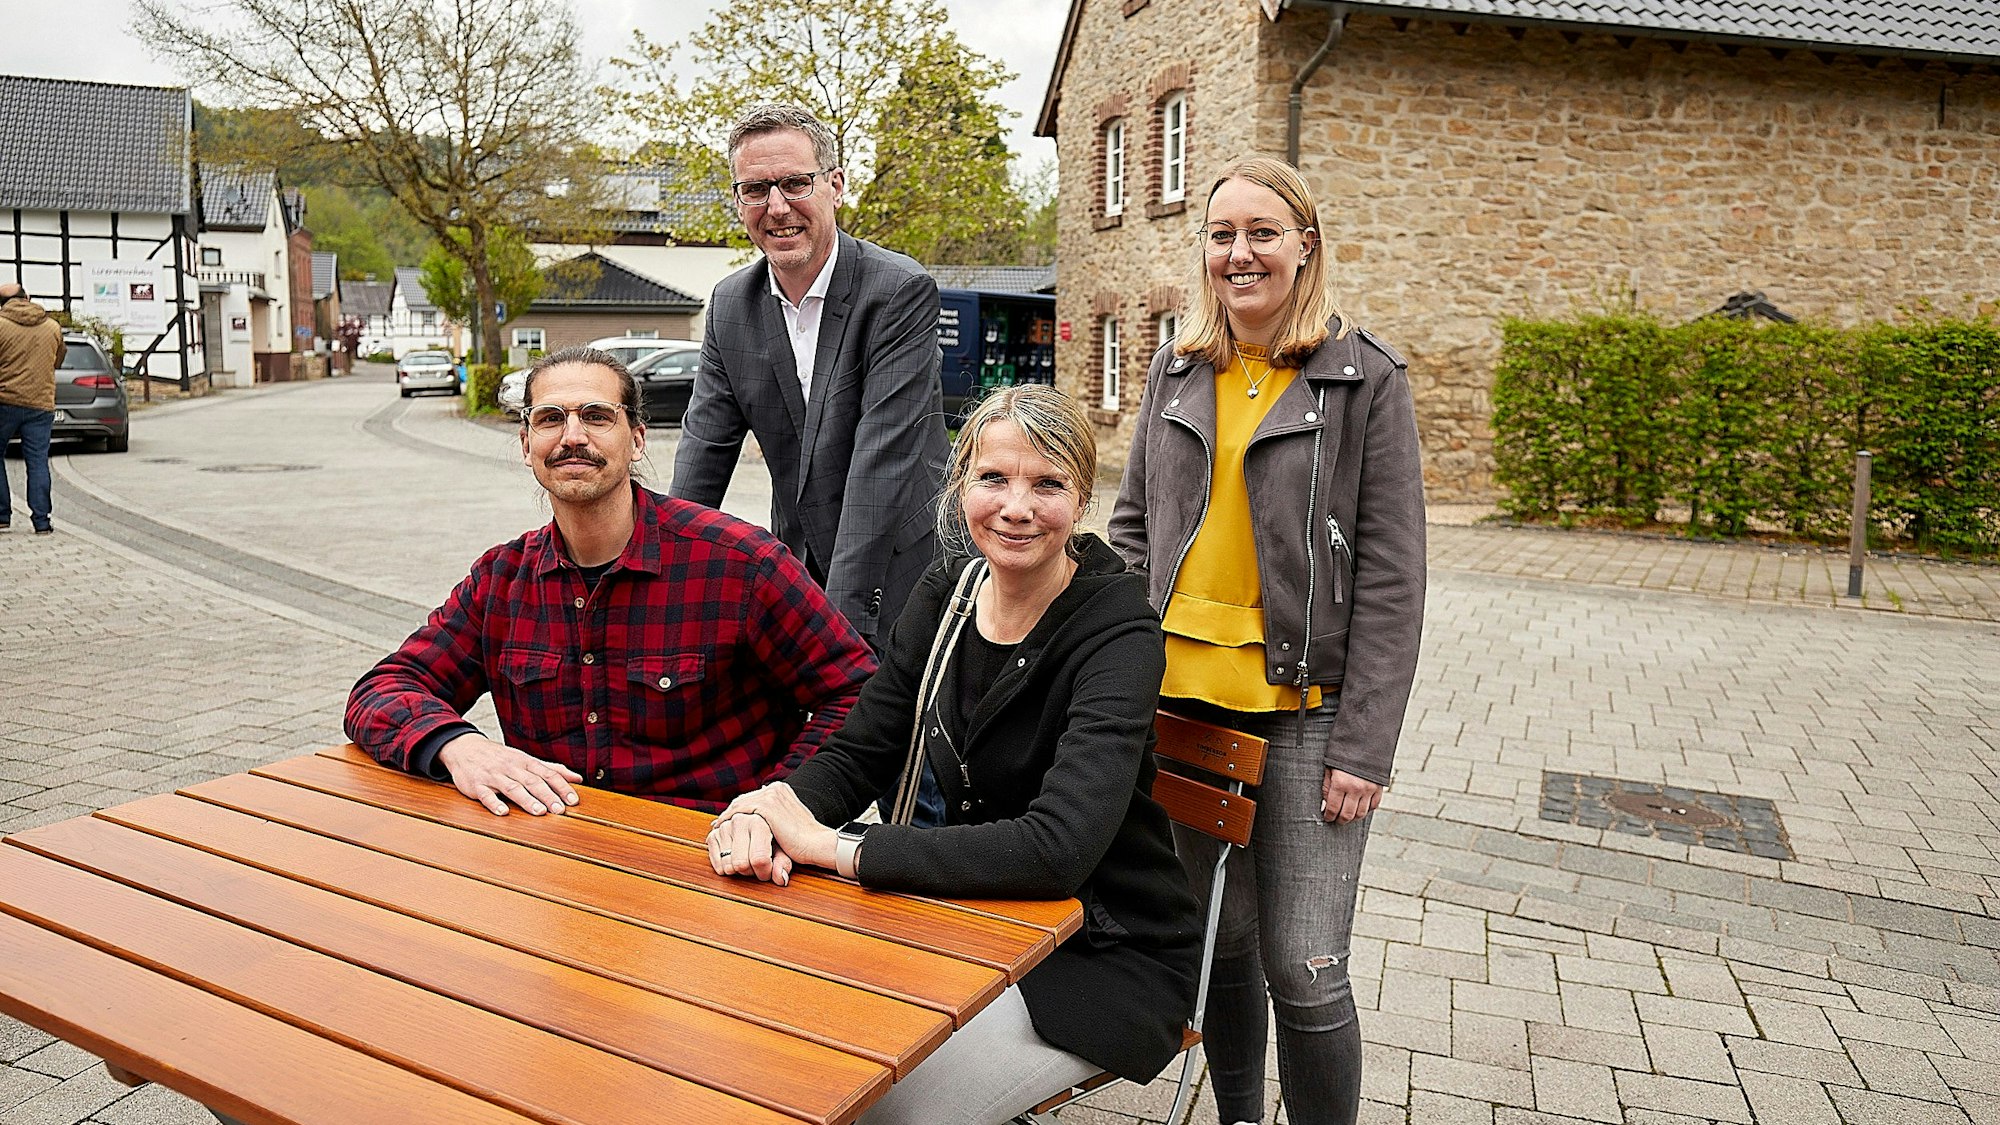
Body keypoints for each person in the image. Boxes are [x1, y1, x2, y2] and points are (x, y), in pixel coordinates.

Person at [706, 385, 1201, 1125]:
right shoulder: (948, 592)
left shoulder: (1119, 632)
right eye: (993, 477)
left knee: (884, 1106)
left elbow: (1057, 850)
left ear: (1082, 498)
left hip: (1095, 953)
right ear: (961, 485)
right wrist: (774, 810)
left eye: (1048, 483)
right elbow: (864, 748)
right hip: (956, 917)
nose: (1016, 507)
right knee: (769, 1044)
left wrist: (839, 849)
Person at [1110, 156, 1427, 1125]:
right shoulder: (1176, 368)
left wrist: (1364, 746)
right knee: (1225, 943)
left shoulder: (1363, 378)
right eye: (1221, 235)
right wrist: (1118, 677)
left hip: (1305, 712)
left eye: (1261, 233)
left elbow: (1393, 577)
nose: (1238, 253)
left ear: (1305, 246)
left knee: (1304, 965)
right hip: (1182, 704)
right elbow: (1132, 529)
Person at [345, 345, 878, 817]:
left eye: (597, 416)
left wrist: (782, 805)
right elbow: (383, 689)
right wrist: (459, 745)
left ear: (637, 439)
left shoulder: (740, 565)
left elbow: (859, 695)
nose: (573, 436)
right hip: (559, 858)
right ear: (526, 443)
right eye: (550, 418)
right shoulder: (501, 582)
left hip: (716, 861)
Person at [671, 101, 951, 647]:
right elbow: (704, 449)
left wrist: (833, 631)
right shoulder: (730, 305)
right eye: (755, 189)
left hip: (905, 567)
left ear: (835, 186)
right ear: (738, 200)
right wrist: (665, 579)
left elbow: (882, 460)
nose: (777, 208)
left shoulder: (897, 291)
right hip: (799, 561)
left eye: (796, 183)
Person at [0, 282, 64, 535]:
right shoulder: (52, 326)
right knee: (37, 460)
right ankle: (41, 521)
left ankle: (2, 515)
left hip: (5, 401)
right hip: (40, 403)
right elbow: (58, 359)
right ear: (26, 297)